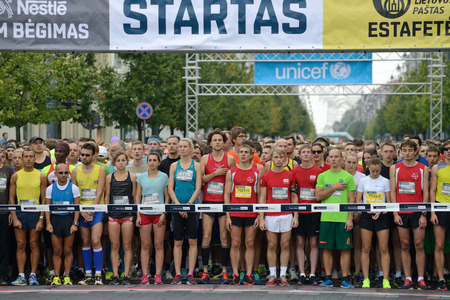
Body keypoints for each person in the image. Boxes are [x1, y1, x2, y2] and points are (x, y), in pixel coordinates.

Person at [390, 139, 429, 290]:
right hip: (401, 212)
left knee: (419, 245)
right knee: (404, 245)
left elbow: (425, 191)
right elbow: (393, 191)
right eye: (404, 150)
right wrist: (395, 212)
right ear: (401, 152)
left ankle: (420, 278)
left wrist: (424, 213)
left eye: (410, 150)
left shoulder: (423, 169)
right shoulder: (395, 168)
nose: (407, 153)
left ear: (415, 152)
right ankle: (407, 278)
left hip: (418, 211)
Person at [198, 129, 235, 284]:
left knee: (224, 237)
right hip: (208, 201)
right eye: (215, 140)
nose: (218, 142)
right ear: (210, 143)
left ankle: (224, 271)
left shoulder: (230, 159)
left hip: (223, 202)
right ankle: (205, 271)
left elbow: (233, 182)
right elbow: (201, 181)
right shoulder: (205, 159)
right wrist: (216, 173)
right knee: (206, 236)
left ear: (224, 142)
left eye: (220, 140)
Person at [316, 148, 356, 288]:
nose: (333, 159)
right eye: (331, 157)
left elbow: (352, 200)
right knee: (326, 248)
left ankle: (345, 278)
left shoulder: (348, 177)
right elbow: (318, 196)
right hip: (326, 218)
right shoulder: (322, 176)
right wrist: (334, 187)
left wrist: (350, 218)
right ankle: (328, 278)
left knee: (344, 249)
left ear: (341, 159)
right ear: (328, 159)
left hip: (342, 219)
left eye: (336, 157)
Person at [259, 147, 298, 286]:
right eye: (276, 157)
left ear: (284, 158)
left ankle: (283, 275)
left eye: (281, 157)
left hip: (287, 214)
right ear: (271, 158)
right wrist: (261, 217)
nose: (279, 160)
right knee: (272, 244)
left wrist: (296, 216)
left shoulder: (290, 175)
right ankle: (272, 275)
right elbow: (262, 197)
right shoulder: (265, 176)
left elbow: (294, 196)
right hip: (270, 215)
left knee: (285, 244)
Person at [225, 143, 261, 285]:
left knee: (250, 243)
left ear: (251, 155)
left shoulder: (257, 172)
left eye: (247, 152)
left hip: (251, 214)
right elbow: (227, 195)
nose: (244, 154)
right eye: (242, 152)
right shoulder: (231, 171)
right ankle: (235, 272)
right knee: (235, 243)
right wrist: (227, 216)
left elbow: (259, 196)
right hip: (235, 213)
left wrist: (259, 215)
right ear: (238, 154)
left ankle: (249, 273)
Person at [9, 149, 47, 286]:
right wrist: (14, 217)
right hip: (20, 214)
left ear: (35, 159)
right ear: (23, 159)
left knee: (34, 244)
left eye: (31, 156)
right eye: (26, 157)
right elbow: (11, 198)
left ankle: (33, 274)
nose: (29, 159)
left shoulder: (41, 176)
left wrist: (41, 219)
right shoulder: (16, 176)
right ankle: (20, 275)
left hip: (35, 214)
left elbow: (44, 199)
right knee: (21, 245)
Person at [71, 143, 107, 285]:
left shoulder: (101, 170)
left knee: (96, 241)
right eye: (82, 155)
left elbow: (100, 191)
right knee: (85, 242)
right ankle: (87, 274)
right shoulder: (75, 171)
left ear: (94, 156)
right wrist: (81, 210)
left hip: (96, 210)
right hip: (82, 210)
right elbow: (75, 193)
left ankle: (98, 274)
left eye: (87, 155)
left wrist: (92, 210)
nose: (84, 157)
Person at [168, 138, 202, 285]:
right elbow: (170, 187)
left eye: (184, 146)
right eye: (180, 146)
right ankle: (177, 273)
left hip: (192, 207)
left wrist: (188, 205)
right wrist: (178, 205)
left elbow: (198, 187)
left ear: (190, 149)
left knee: (193, 241)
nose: (181, 149)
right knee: (178, 241)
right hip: (177, 207)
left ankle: (190, 273)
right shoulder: (174, 166)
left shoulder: (197, 166)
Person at [356, 158, 391, 289]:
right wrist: (366, 209)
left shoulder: (385, 181)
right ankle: (366, 279)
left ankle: (386, 279)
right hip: (367, 216)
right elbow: (358, 200)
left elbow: (388, 200)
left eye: (377, 171)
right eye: (372, 171)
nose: (375, 173)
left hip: (382, 216)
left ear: (380, 169)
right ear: (368, 168)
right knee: (366, 248)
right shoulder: (363, 181)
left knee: (384, 248)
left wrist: (381, 211)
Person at [291, 144, 323, 286]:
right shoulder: (294, 171)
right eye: (303, 152)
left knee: (314, 243)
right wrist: (295, 215)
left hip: (314, 211)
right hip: (300, 211)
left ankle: (312, 274)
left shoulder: (318, 172)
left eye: (308, 152)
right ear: (299, 154)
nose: (305, 154)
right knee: (300, 243)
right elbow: (292, 193)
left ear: (311, 155)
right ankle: (302, 274)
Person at [136, 151, 169, 285]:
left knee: (158, 244)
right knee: (145, 245)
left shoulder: (164, 176)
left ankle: (158, 275)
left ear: (159, 162)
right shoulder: (141, 177)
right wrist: (138, 214)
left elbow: (167, 197)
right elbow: (138, 196)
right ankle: (145, 275)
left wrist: (164, 213)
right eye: (150, 160)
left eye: (154, 160)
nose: (152, 163)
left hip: (159, 214)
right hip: (144, 213)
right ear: (147, 161)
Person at [45, 163, 81, 286]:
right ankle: (56, 276)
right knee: (57, 250)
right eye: (61, 173)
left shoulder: (74, 188)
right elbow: (47, 208)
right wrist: (48, 223)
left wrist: (75, 223)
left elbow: (77, 207)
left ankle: (67, 276)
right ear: (55, 174)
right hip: (55, 220)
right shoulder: (50, 188)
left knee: (68, 249)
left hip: (68, 219)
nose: (63, 175)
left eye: (66, 173)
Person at [105, 151, 137, 285]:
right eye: (118, 161)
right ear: (114, 163)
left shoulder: (132, 176)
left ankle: (127, 275)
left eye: (123, 160)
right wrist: (107, 209)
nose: (121, 163)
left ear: (127, 161)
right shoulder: (109, 177)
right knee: (114, 245)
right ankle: (116, 275)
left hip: (128, 215)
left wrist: (136, 212)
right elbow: (107, 195)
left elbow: (135, 195)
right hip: (113, 215)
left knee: (127, 245)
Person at [429, 140, 450, 291]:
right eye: (447, 149)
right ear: (443, 152)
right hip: (440, 207)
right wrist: (432, 211)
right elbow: (432, 190)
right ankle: (441, 279)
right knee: (439, 245)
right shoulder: (437, 167)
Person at [344, 152, 366, 287]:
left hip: (358, 216)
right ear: (344, 162)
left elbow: (365, 197)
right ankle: (345, 273)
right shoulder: (341, 176)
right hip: (343, 216)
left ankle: (357, 273)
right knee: (345, 247)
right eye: (349, 162)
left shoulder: (362, 177)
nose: (352, 165)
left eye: (354, 163)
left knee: (358, 246)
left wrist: (360, 213)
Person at [0, 151, 14, 285]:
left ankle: (3, 275)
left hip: (4, 213)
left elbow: (12, 192)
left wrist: (11, 211)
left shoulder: (8, 170)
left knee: (3, 244)